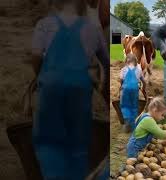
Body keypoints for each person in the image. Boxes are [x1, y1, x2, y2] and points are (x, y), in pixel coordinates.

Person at [28, 0, 108, 179]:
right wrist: (98, 81)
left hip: (50, 89)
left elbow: (36, 56)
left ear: (54, 3)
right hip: (80, 90)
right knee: (78, 144)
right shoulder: (91, 29)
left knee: (49, 143)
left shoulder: (45, 25)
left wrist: (41, 75)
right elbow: (106, 61)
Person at [120, 53, 146, 132]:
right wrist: (143, 88)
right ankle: (133, 125)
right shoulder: (139, 70)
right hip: (135, 90)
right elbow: (144, 82)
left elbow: (121, 80)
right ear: (135, 61)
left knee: (125, 105)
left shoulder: (123, 69)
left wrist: (121, 87)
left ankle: (127, 122)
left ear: (126, 61)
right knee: (134, 105)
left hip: (125, 90)